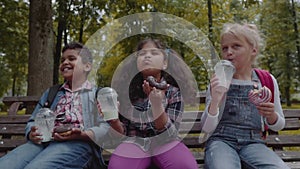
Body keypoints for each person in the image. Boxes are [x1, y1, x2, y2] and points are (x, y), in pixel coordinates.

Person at [0, 42, 114, 169]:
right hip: (43, 143)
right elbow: (33, 121)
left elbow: (106, 128)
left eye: (71, 59)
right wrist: (31, 133)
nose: (65, 62)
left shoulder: (98, 94)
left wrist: (82, 134)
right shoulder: (52, 92)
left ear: (87, 66)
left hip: (79, 144)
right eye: (62, 60)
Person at [200, 23, 289, 169]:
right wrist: (215, 101)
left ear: (253, 50)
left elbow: (280, 124)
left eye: (236, 46)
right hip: (221, 141)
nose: (229, 52)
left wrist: (271, 115)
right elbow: (207, 127)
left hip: (254, 142)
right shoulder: (219, 80)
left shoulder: (266, 80)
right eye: (225, 48)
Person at [105, 38, 198, 169]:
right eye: (142, 54)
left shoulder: (173, 92)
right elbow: (122, 133)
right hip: (134, 142)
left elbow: (169, 134)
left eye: (154, 53)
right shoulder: (126, 92)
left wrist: (157, 106)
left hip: (165, 142)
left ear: (164, 63)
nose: (147, 56)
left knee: (184, 166)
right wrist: (114, 121)